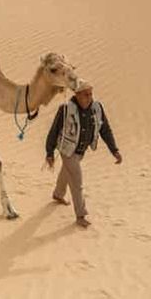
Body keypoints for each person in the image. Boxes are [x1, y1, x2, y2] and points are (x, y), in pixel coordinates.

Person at [45, 80, 123, 228]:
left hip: (81, 151)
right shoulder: (66, 110)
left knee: (67, 172)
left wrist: (114, 150)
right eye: (86, 95)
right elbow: (54, 131)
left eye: (91, 94)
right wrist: (49, 153)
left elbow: (105, 129)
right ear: (77, 95)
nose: (89, 97)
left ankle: (58, 194)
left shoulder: (97, 108)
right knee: (77, 182)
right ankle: (81, 215)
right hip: (67, 151)